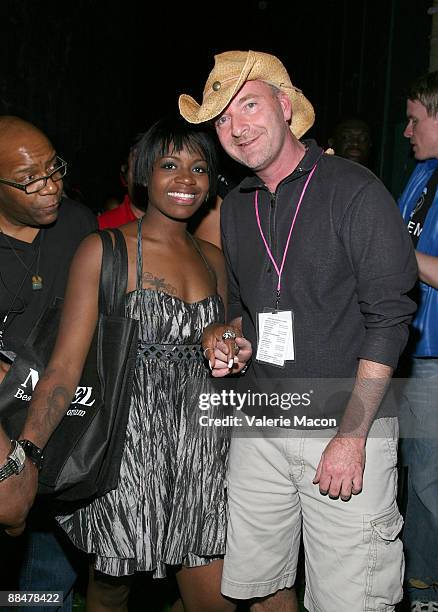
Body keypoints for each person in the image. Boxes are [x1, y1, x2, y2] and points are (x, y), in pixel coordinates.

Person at [179, 50, 418, 612]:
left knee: (349, 599)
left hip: (343, 425)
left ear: (285, 107)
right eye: (221, 118)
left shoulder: (354, 190)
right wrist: (230, 339)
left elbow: (390, 318)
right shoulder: (235, 206)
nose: (236, 127)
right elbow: (246, 310)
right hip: (261, 425)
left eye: (249, 106)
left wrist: (352, 437)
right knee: (258, 588)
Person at [17, 116, 236, 612]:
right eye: (170, 165)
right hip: (125, 451)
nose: (186, 179)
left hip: (202, 453)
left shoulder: (214, 260)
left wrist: (225, 343)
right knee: (112, 590)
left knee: (216, 598)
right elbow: (64, 367)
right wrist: (26, 454)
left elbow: (227, 350)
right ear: (143, 173)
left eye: (199, 167)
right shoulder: (103, 250)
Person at [0, 115, 97, 608]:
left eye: (53, 168)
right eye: (28, 179)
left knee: (43, 585)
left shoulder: (78, 224)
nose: (50, 186)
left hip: (60, 416)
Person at [398, 70, 438, 612]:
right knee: (421, 476)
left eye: (415, 119)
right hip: (415, 351)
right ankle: (424, 586)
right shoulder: (423, 175)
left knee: (430, 478)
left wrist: (391, 253)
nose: (406, 131)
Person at [98, 138, 146, 229]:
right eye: (138, 171)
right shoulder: (104, 227)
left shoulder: (179, 227)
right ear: (125, 177)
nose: (145, 181)